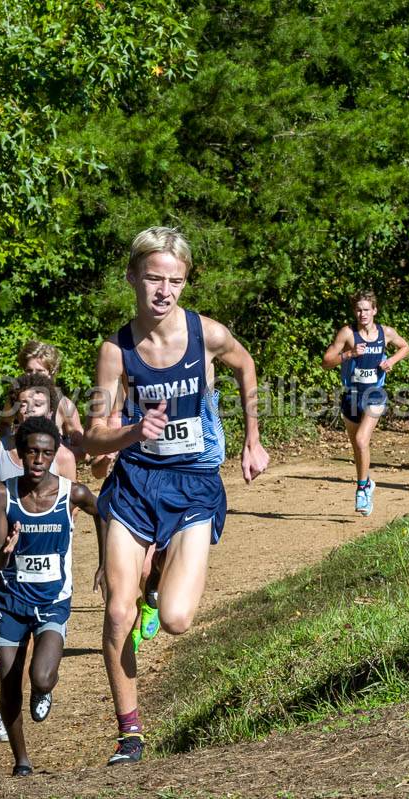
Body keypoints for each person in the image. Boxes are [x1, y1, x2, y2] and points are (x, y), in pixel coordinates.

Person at [85, 226, 270, 766]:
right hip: (135, 485)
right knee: (119, 611)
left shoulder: (207, 335)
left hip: (193, 486)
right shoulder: (115, 352)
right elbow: (97, 433)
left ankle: (159, 565)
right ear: (132, 278)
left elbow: (246, 366)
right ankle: (130, 733)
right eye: (153, 279)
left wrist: (252, 439)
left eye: (175, 281)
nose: (164, 291)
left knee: (176, 619)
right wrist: (128, 434)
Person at [0, 416, 103, 777]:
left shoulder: (73, 492)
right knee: (9, 690)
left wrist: (103, 564)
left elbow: (101, 513)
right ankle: (21, 761)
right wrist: (6, 552)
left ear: (55, 455)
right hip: (11, 601)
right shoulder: (3, 493)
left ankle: (44, 690)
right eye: (32, 452)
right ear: (20, 454)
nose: (38, 460)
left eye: (46, 453)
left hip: (52, 601)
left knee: (40, 677)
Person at [0, 373, 77, 742]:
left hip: (39, 560)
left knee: (33, 654)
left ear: (51, 408)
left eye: (39, 403)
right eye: (24, 403)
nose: (30, 409)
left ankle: (26, 695)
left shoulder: (60, 456)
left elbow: (69, 513)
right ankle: (6, 692)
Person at [321, 290, 409, 515]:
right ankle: (367, 481)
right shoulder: (347, 333)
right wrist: (348, 354)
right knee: (357, 447)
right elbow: (326, 362)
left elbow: (406, 347)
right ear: (355, 312)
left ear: (374, 310)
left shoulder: (386, 332)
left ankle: (362, 490)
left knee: (362, 440)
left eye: (366, 309)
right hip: (351, 395)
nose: (363, 314)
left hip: (375, 394)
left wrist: (391, 361)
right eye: (359, 310)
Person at [13, 340, 86, 459]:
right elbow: (4, 424)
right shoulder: (16, 397)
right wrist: (9, 452)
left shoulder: (64, 404)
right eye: (29, 371)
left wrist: (54, 456)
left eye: (40, 371)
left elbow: (82, 450)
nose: (33, 375)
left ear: (51, 372)